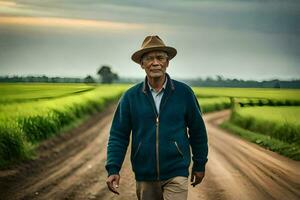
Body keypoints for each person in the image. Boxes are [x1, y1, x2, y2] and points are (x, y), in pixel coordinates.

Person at [105, 35, 208, 200]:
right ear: (142, 64)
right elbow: (118, 135)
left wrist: (200, 163)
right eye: (149, 58)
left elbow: (198, 131)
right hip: (145, 174)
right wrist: (113, 168)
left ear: (167, 62)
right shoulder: (130, 97)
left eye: (160, 58)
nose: (155, 63)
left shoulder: (184, 93)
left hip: (176, 171)